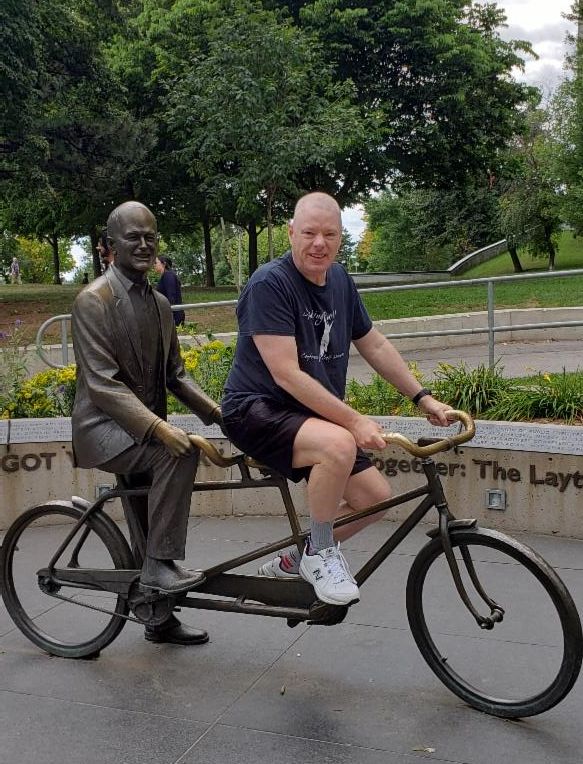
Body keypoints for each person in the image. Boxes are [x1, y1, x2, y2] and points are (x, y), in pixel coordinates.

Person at [222, 192, 453, 607]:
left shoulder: (340, 280)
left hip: (308, 414)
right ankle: (321, 551)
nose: (319, 243)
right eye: (309, 233)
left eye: (329, 235)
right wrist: (354, 420)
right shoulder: (269, 284)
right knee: (339, 443)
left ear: (341, 237)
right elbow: (286, 374)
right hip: (255, 409)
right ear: (291, 232)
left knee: (374, 499)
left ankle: (297, 559)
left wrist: (423, 398)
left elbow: (374, 344)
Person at [71, 201, 222, 645]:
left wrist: (220, 415)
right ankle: (158, 566)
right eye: (132, 237)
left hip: (142, 429)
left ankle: (157, 616)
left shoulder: (159, 304)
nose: (143, 244)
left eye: (149, 237)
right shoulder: (93, 301)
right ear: (110, 246)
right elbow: (102, 384)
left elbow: (176, 375)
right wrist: (159, 429)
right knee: (179, 452)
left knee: (147, 520)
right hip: (103, 429)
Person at [154, 255, 186, 327]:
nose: (154, 265)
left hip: (174, 316)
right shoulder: (165, 276)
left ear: (164, 264)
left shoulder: (168, 275)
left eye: (156, 263)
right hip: (170, 315)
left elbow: (171, 297)